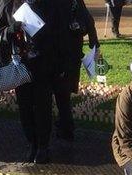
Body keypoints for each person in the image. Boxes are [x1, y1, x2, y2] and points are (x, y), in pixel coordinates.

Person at [0, 0, 64, 164]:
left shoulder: (50, 4)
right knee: (25, 106)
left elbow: (60, 30)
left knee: (42, 105)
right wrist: (11, 29)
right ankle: (32, 143)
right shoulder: (8, 3)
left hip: (44, 63)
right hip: (20, 64)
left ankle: (43, 147)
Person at [55, 0, 100, 141]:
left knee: (60, 94)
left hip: (59, 54)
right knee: (64, 94)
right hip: (74, 53)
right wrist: (95, 45)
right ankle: (65, 125)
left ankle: (66, 128)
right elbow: (89, 21)